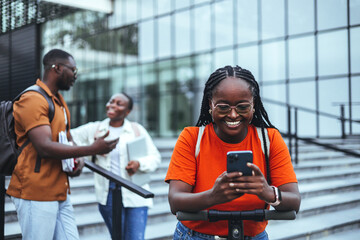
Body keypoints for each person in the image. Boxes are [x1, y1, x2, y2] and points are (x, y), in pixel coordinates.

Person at [165, 65, 301, 239]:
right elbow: (175, 201)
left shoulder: (270, 139)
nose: (233, 115)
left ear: (253, 106)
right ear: (210, 104)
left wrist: (267, 192)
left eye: (242, 107)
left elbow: (294, 202)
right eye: (223, 107)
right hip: (195, 235)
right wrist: (213, 196)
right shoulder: (191, 138)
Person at [6, 49, 119, 240]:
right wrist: (92, 149)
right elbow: (45, 146)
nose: (75, 76)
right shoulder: (33, 99)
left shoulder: (58, 100)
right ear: (57, 68)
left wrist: (79, 160)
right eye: (73, 70)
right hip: (36, 191)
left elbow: (65, 138)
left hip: (59, 190)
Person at [70, 92, 161, 240]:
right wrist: (90, 150)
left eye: (119, 104)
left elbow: (155, 157)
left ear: (128, 111)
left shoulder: (136, 130)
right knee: (118, 237)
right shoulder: (95, 129)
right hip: (108, 193)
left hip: (135, 193)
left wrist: (139, 164)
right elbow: (69, 137)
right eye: (111, 101)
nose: (112, 105)